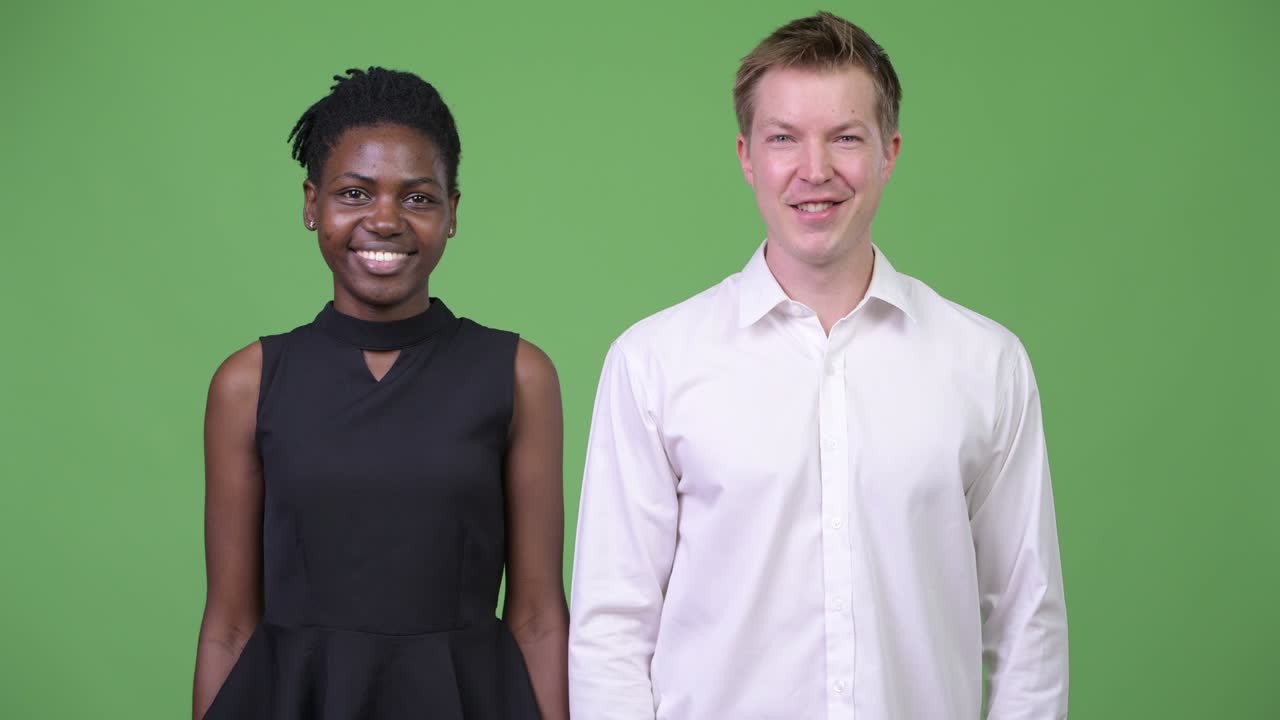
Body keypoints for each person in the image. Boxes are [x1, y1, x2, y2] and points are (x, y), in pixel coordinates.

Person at [569, 13, 1068, 719]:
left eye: (845, 138)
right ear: (746, 155)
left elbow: (1028, 619)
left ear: (889, 151)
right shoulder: (653, 363)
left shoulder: (985, 363)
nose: (815, 171)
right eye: (784, 139)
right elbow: (611, 628)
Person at [193, 67, 569, 720]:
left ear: (453, 212)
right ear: (313, 205)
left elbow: (537, 618)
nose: (385, 219)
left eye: (418, 198)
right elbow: (228, 625)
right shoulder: (247, 384)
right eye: (355, 193)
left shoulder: (517, 374)